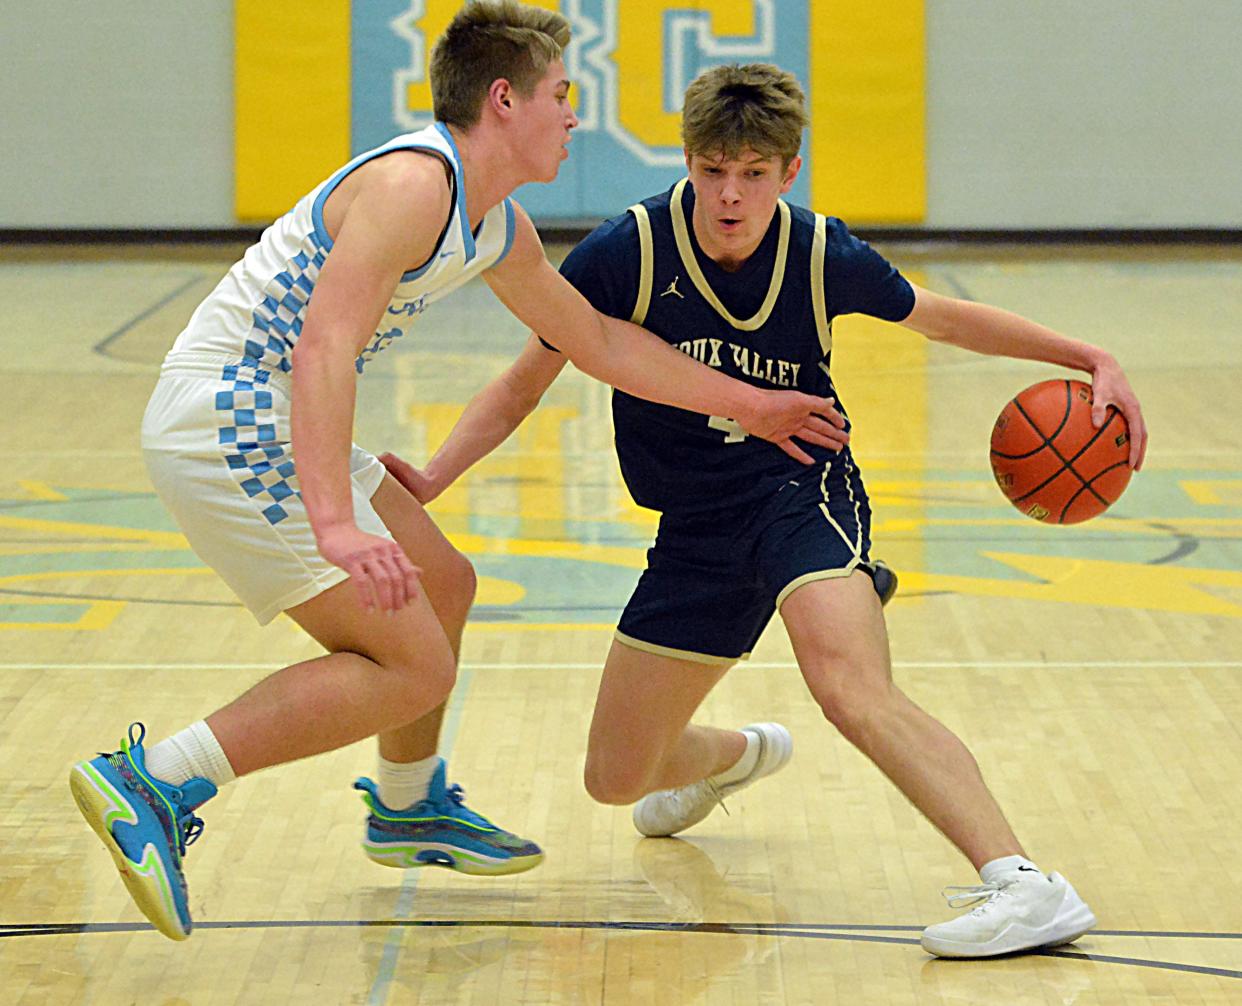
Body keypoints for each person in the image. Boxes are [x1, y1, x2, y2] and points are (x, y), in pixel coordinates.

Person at [67, 8, 845, 943]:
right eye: (560, 94)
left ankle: (407, 804)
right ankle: (155, 781)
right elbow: (324, 346)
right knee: (412, 664)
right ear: (504, 99)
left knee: (446, 583)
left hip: (267, 416)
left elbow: (592, 339)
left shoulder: (493, 224)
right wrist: (338, 524)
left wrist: (753, 404)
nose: (573, 113)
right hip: (231, 416)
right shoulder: (412, 183)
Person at [384, 62, 1149, 959]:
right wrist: (434, 474)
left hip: (801, 490)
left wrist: (1087, 353)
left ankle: (1022, 882)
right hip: (695, 526)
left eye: (753, 173)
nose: (730, 193)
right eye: (712, 170)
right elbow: (522, 386)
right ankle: (736, 755)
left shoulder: (820, 252)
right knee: (615, 777)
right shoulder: (626, 252)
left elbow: (941, 318)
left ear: (788, 172)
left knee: (850, 687)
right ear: (687, 163)